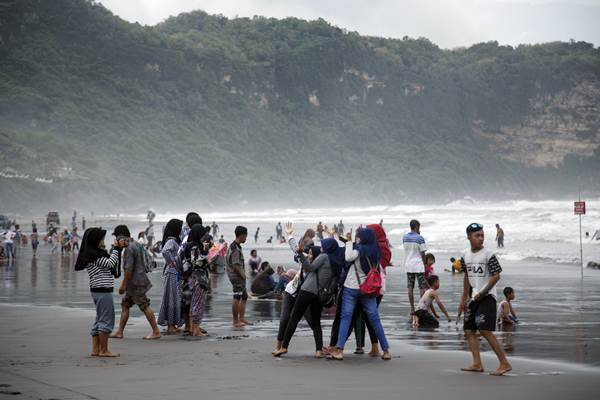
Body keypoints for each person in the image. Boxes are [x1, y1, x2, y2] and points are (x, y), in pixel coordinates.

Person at [329, 228, 391, 361]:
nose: (358, 238)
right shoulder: (376, 250)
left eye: (359, 236)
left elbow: (348, 257)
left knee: (346, 317)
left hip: (352, 287)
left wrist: (349, 242)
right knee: (375, 319)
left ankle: (339, 350)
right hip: (369, 289)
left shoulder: (359, 249)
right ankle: (385, 350)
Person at [273, 222, 333, 358]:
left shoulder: (317, 265)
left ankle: (319, 348)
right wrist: (289, 235)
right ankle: (279, 345)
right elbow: (296, 249)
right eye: (308, 253)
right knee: (284, 320)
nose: (309, 255)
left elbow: (327, 251)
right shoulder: (305, 259)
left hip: (305, 295)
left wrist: (330, 236)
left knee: (313, 322)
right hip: (291, 292)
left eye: (311, 254)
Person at [459, 223, 512, 376]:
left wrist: (483, 292)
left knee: (484, 330)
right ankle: (476, 363)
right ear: (469, 237)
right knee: (469, 329)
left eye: (482, 235)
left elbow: (496, 275)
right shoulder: (465, 255)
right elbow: (467, 277)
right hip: (474, 296)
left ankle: (504, 363)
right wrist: (463, 298)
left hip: (487, 296)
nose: (481, 238)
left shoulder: (488, 254)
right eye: (477, 235)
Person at [75, 227, 124, 357]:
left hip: (97, 290)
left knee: (100, 319)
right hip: (102, 290)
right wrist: (116, 249)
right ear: (94, 241)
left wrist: (115, 250)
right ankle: (104, 350)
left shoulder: (92, 254)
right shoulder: (95, 256)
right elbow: (110, 263)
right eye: (101, 239)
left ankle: (96, 349)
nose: (103, 241)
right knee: (106, 319)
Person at [111, 225, 161, 340]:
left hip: (135, 283)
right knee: (125, 305)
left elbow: (129, 269)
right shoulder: (136, 244)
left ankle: (156, 331)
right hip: (137, 281)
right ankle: (120, 332)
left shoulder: (129, 249)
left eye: (117, 238)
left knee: (144, 305)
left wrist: (123, 285)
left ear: (122, 237)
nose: (116, 241)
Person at [182, 224, 212, 337]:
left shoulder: (189, 245)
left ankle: (192, 328)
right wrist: (206, 253)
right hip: (198, 278)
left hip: (191, 277)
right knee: (198, 303)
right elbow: (197, 262)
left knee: (194, 303)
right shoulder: (194, 247)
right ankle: (195, 330)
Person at [157, 219, 184, 334]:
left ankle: (172, 324)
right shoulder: (172, 241)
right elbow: (165, 251)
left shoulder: (172, 240)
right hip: (171, 272)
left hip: (173, 272)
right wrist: (172, 262)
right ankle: (170, 325)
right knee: (172, 298)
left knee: (173, 298)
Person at [227, 226, 252, 327]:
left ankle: (241, 318)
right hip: (236, 275)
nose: (246, 238)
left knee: (244, 296)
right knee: (237, 296)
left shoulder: (235, 246)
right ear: (242, 236)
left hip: (238, 275)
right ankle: (235, 321)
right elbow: (235, 264)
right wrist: (243, 275)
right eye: (245, 236)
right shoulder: (235, 248)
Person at [403, 219, 427, 315]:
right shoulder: (420, 238)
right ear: (417, 227)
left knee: (410, 287)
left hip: (408, 265)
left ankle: (412, 308)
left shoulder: (404, 237)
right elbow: (423, 252)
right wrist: (425, 262)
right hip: (418, 265)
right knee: (421, 287)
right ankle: (421, 308)